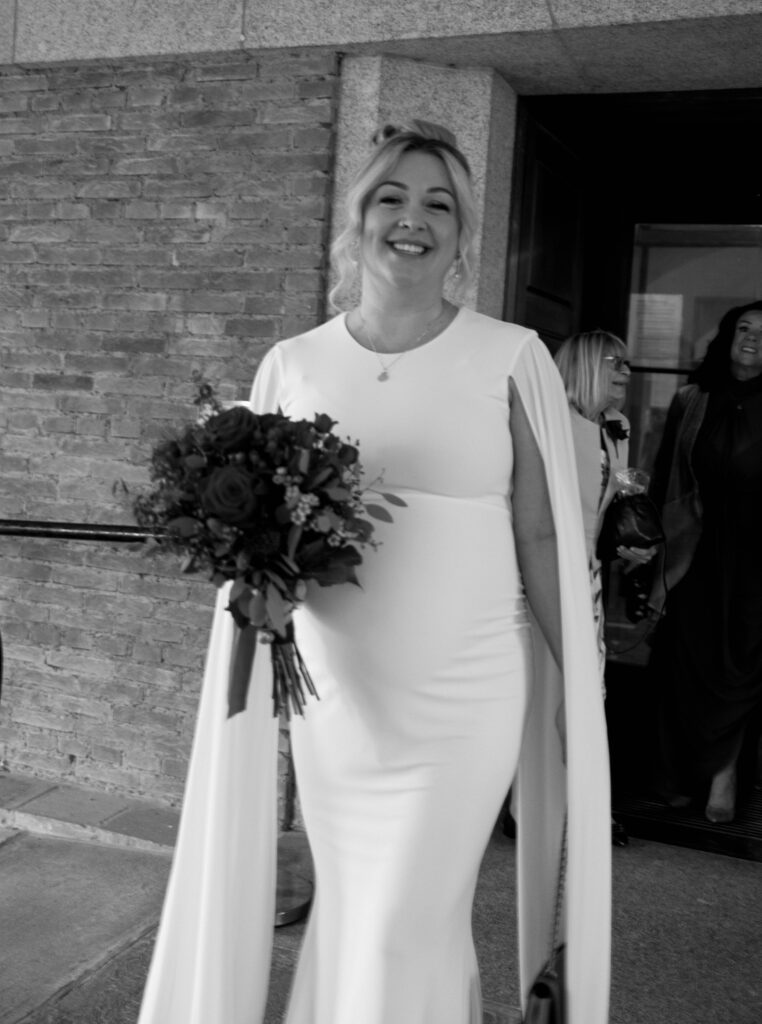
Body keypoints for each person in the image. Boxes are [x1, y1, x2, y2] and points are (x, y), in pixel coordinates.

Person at [137, 120, 611, 1024]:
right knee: (359, 915)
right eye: (392, 196)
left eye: (440, 204)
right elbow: (264, 538)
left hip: (466, 687)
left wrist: (578, 681)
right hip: (338, 697)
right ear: (358, 217)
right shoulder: (294, 362)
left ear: (464, 234)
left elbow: (541, 535)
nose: (413, 218)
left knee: (405, 916)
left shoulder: (513, 357)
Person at [648, 300, 762, 825]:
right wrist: (648, 543)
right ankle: (679, 776)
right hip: (693, 550)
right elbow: (665, 475)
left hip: (754, 556)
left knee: (740, 665)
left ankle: (725, 775)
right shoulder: (691, 400)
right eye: (744, 328)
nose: (753, 338)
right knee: (685, 662)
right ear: (727, 336)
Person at [553, 330, 657, 847]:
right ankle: (531, 808)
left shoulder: (616, 426)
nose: (625, 372)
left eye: (628, 364)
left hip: (589, 576)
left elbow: (611, 503)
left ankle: (586, 809)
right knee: (541, 691)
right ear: (585, 364)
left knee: (587, 693)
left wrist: (627, 543)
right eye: (614, 362)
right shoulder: (550, 422)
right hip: (540, 574)